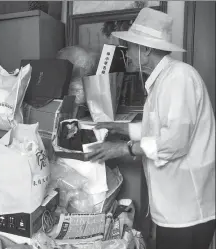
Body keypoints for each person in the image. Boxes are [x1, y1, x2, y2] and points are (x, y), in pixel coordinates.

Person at [87, 7, 215, 249]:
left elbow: (175, 141)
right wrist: (121, 128)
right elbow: (156, 127)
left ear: (145, 50)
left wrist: (125, 148)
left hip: (186, 209)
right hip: (173, 206)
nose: (127, 53)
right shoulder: (162, 80)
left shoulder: (179, 78)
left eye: (130, 47)